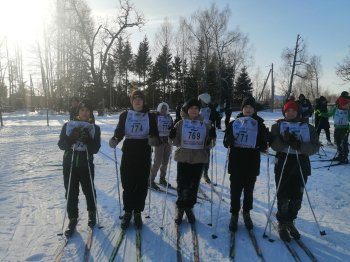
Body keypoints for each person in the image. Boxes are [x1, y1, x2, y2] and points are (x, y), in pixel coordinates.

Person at [270, 98, 320, 242]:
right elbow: (276, 146)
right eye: (288, 110)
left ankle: (290, 221)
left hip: (301, 164)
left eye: (293, 110)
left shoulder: (308, 127)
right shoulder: (277, 126)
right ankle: (282, 222)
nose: (290, 113)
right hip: (283, 163)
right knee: (283, 196)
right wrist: (282, 140)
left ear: (298, 111)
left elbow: (314, 147)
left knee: (296, 198)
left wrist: (298, 144)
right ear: (284, 112)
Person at [109, 90, 159, 230]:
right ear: (131, 101)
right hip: (129, 151)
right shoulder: (125, 115)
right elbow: (119, 131)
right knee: (128, 181)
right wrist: (115, 139)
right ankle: (127, 211)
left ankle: (137, 212)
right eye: (134, 99)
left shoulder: (150, 116)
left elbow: (155, 133)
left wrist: (154, 139)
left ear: (143, 101)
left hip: (144, 150)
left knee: (142, 183)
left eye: (140, 99)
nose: (137, 101)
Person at [223, 96, 268, 232]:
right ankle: (234, 213)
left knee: (249, 191)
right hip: (236, 161)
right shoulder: (235, 123)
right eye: (245, 107)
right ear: (242, 109)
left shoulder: (259, 124)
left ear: (254, 109)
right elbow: (226, 142)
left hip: (252, 162)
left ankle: (246, 212)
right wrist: (229, 140)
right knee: (235, 190)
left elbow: (264, 144)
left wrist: (263, 144)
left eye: (250, 107)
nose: (248, 109)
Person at [169, 98, 216, 224]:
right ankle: (180, 207)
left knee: (193, 185)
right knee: (182, 184)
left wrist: (212, 136)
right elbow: (175, 142)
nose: (194, 110)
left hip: (198, 159)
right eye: (191, 108)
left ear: (199, 111)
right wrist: (172, 135)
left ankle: (189, 207)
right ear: (187, 110)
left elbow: (209, 145)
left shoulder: (205, 124)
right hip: (183, 157)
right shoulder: (180, 124)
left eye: (196, 108)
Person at [58, 100, 101, 237]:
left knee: (89, 190)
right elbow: (61, 145)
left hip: (86, 164)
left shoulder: (95, 128)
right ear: (78, 112)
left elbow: (95, 149)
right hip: (69, 164)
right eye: (82, 110)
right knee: (71, 191)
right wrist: (71, 138)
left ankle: (92, 213)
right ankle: (73, 218)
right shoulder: (68, 126)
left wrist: (88, 139)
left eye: (87, 110)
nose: (85, 112)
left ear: (90, 113)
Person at [317, 91, 350, 163]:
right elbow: (329, 114)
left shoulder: (348, 110)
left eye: (347, 104)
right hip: (337, 127)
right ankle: (340, 155)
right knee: (337, 141)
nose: (346, 106)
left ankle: (345, 157)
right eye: (344, 104)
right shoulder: (336, 108)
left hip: (345, 128)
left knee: (344, 142)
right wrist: (321, 114)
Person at [150, 102, 174, 190]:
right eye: (162, 108)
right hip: (159, 142)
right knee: (157, 162)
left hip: (168, 142)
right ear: (159, 108)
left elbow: (172, 127)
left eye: (165, 108)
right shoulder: (156, 117)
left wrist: (172, 131)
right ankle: (150, 180)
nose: (163, 110)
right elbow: (152, 128)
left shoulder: (169, 117)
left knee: (165, 162)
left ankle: (162, 179)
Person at [198, 93, 216, 184]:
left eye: (200, 100)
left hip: (207, 136)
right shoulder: (196, 109)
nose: (199, 101)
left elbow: (214, 122)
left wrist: (213, 133)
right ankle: (198, 173)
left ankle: (205, 174)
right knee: (198, 156)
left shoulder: (210, 110)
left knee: (207, 156)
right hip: (198, 135)